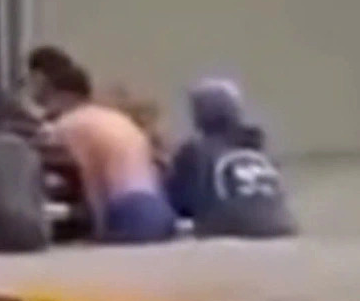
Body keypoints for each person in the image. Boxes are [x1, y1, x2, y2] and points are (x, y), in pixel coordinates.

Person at [35, 56, 178, 245]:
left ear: (62, 96)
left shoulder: (69, 125)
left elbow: (92, 181)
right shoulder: (116, 118)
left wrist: (98, 230)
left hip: (129, 213)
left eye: (46, 97)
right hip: (161, 210)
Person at [166, 79, 297, 239]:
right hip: (281, 225)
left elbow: (176, 200)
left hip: (231, 229)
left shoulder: (195, 151)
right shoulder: (258, 147)